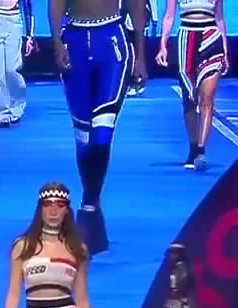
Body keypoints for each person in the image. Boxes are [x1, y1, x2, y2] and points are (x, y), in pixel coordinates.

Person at [50, 0, 148, 255]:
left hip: (112, 43)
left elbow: (136, 6)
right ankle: (92, 207)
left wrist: (141, 56)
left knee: (102, 134)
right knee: (83, 139)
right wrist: (57, 43)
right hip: (75, 43)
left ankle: (89, 205)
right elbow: (56, 3)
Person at [155, 0, 230, 170]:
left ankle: (201, 150)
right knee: (189, 99)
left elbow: (219, 17)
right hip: (186, 40)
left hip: (211, 38)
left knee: (207, 99)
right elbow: (169, 16)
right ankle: (194, 146)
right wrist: (163, 45)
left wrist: (225, 49)